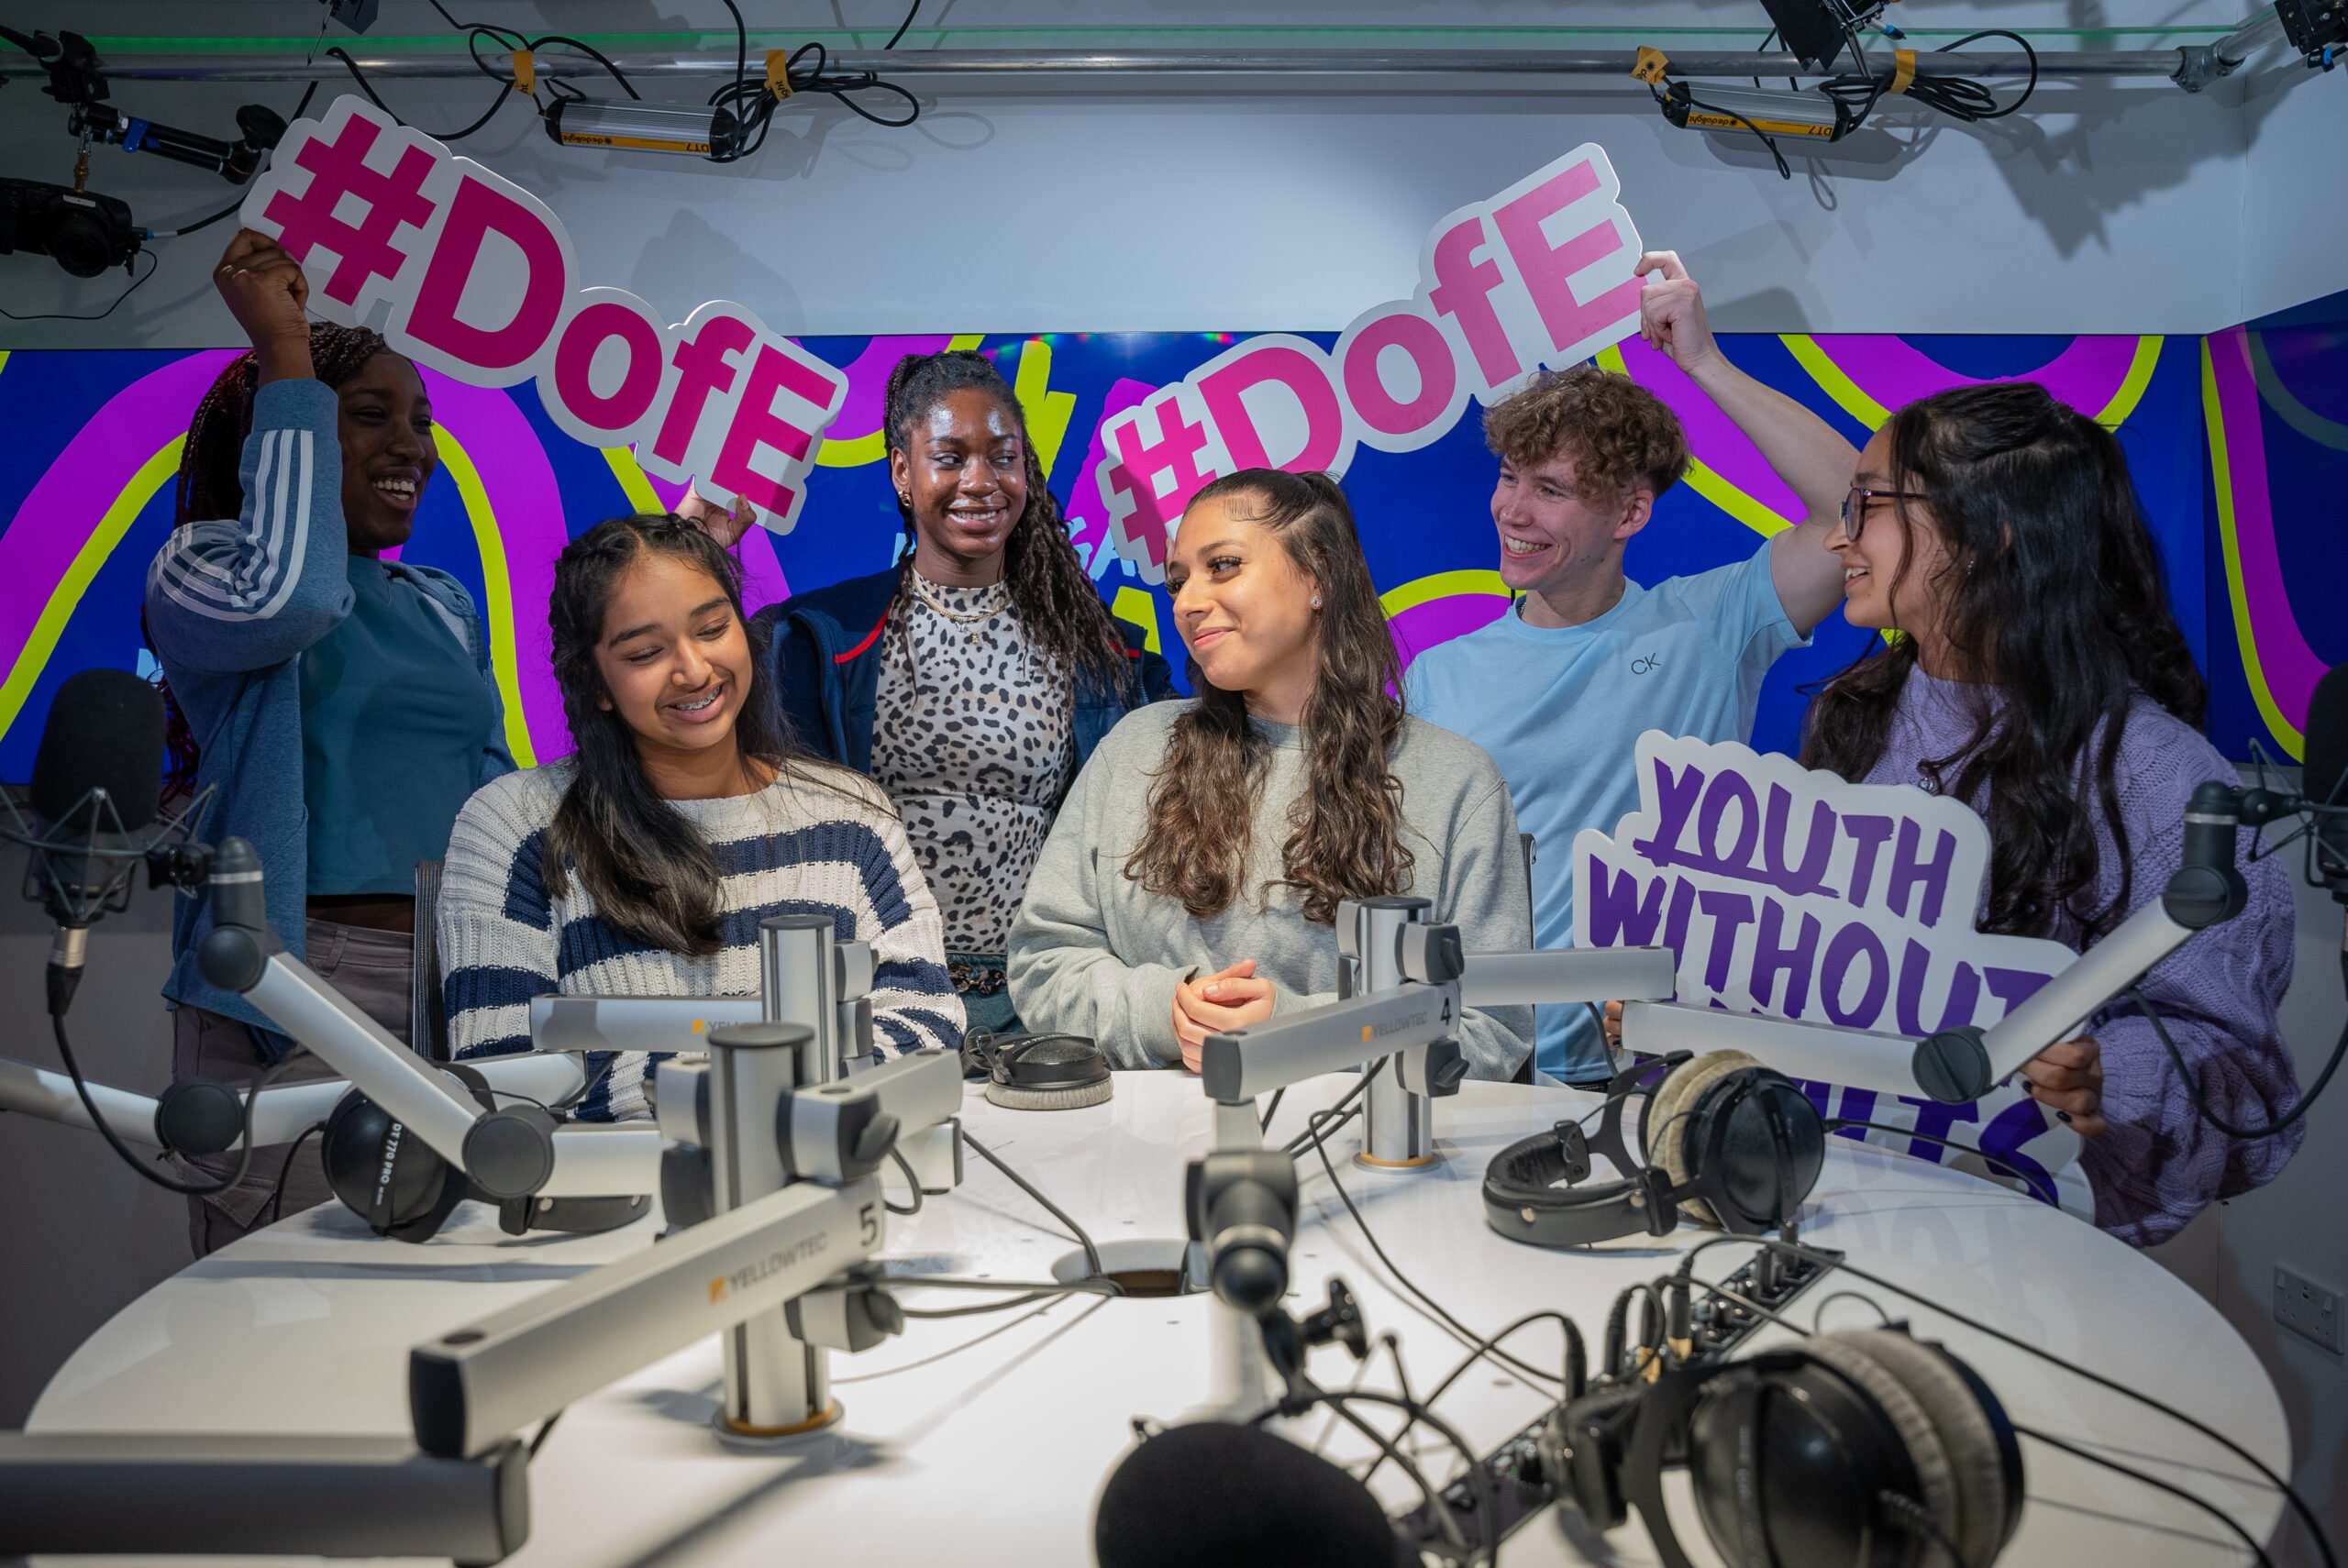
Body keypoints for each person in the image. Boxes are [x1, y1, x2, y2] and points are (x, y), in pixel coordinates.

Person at [1791, 379, 2303, 1245]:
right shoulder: (1853, 713)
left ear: (1988, 535)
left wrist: (2106, 1076)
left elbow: (2236, 1065)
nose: (1841, 533)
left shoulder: (2156, 773)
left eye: (1870, 502)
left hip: (2028, 1255)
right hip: (1835, 1212)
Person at [145, 228, 511, 1254]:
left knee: (432, 1296)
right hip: (293, 988)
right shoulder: (199, 566)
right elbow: (295, 593)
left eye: (423, 423)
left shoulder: (439, 599)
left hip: (448, 990)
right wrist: (286, 358)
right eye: (371, 416)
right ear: (284, 425)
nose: (413, 446)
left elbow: (492, 799)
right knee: (282, 1309)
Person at [1404, 251, 1855, 1084]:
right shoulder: (1438, 674)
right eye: (1508, 478)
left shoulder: (1712, 625)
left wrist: (1705, 364)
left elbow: (1853, 511)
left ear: (1631, 511)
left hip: (1659, 1069)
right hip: (1480, 1071)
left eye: (1550, 489)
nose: (1513, 509)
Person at [686, 350, 1170, 1037]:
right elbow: (684, 721)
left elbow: (1192, 766)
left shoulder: (1101, 656)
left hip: (1042, 1011)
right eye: (949, 457)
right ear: (902, 473)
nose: (981, 481)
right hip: (872, 1003)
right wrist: (695, 555)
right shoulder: (818, 639)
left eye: (1003, 457)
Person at [1008, 469, 1534, 1078]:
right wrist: (1164, 1013)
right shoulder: (1133, 751)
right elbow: (1044, 963)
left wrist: (1299, 1028)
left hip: (1362, 1160)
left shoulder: (1455, 781)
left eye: (1223, 565)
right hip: (1144, 1153)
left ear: (1319, 577)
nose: (1186, 602)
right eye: (1178, 580)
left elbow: (1491, 1029)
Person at [437, 514, 961, 1118]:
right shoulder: (514, 826)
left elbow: (927, 1021)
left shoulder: (855, 820)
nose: (693, 670)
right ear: (594, 681)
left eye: (712, 628)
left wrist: (718, 1079)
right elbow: (502, 1076)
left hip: (826, 1176)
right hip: (619, 1195)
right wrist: (769, 1075)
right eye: (645, 652)